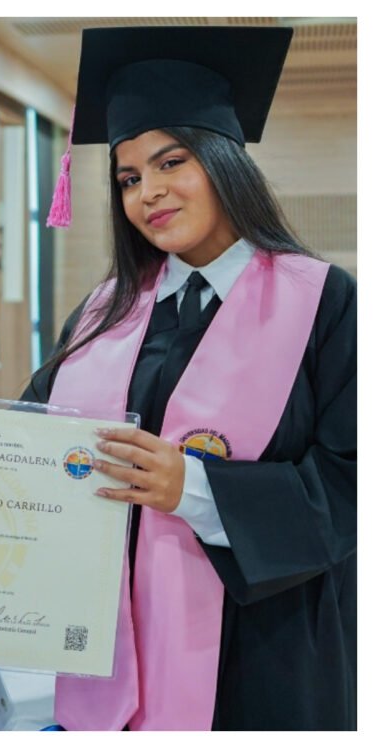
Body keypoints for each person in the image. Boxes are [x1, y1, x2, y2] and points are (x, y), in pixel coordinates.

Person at [26, 27, 355, 730]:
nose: (149, 192)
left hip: (263, 644)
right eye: (129, 178)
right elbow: (25, 441)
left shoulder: (325, 300)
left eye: (170, 161)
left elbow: (351, 478)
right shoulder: (102, 311)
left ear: (224, 159)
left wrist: (196, 491)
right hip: (110, 635)